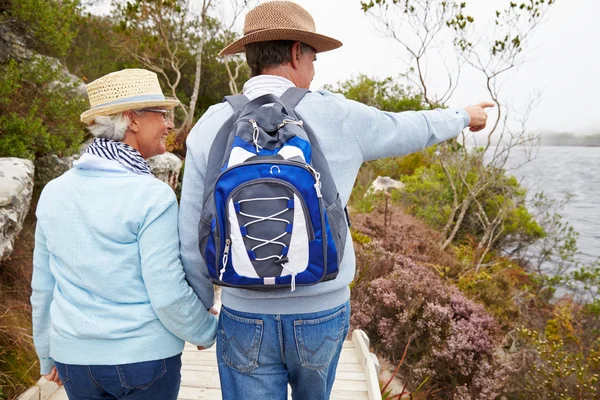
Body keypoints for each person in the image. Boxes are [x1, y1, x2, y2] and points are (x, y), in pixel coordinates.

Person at [178, 2, 493, 399]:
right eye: (312, 56)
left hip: (243, 312)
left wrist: (204, 308)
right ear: (296, 53)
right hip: (321, 310)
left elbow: (192, 232)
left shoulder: (209, 126)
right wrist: (463, 116)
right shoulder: (338, 114)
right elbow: (410, 127)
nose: (314, 67)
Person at [31, 68, 218, 400]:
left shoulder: (53, 192)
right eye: (161, 114)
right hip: (143, 359)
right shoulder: (152, 195)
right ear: (132, 120)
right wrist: (204, 330)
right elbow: (167, 292)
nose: (170, 124)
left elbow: (44, 286)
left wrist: (48, 354)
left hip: (75, 361)